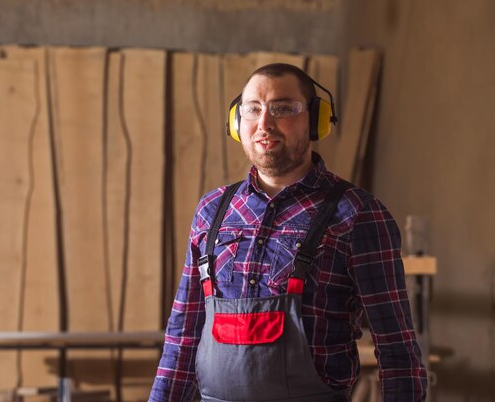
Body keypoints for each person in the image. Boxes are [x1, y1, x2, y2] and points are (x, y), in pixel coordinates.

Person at [149, 63, 427, 402]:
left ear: (316, 120)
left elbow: (396, 348)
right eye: (253, 109)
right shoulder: (212, 211)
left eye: (282, 108)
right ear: (238, 124)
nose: (264, 123)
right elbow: (182, 334)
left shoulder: (358, 214)